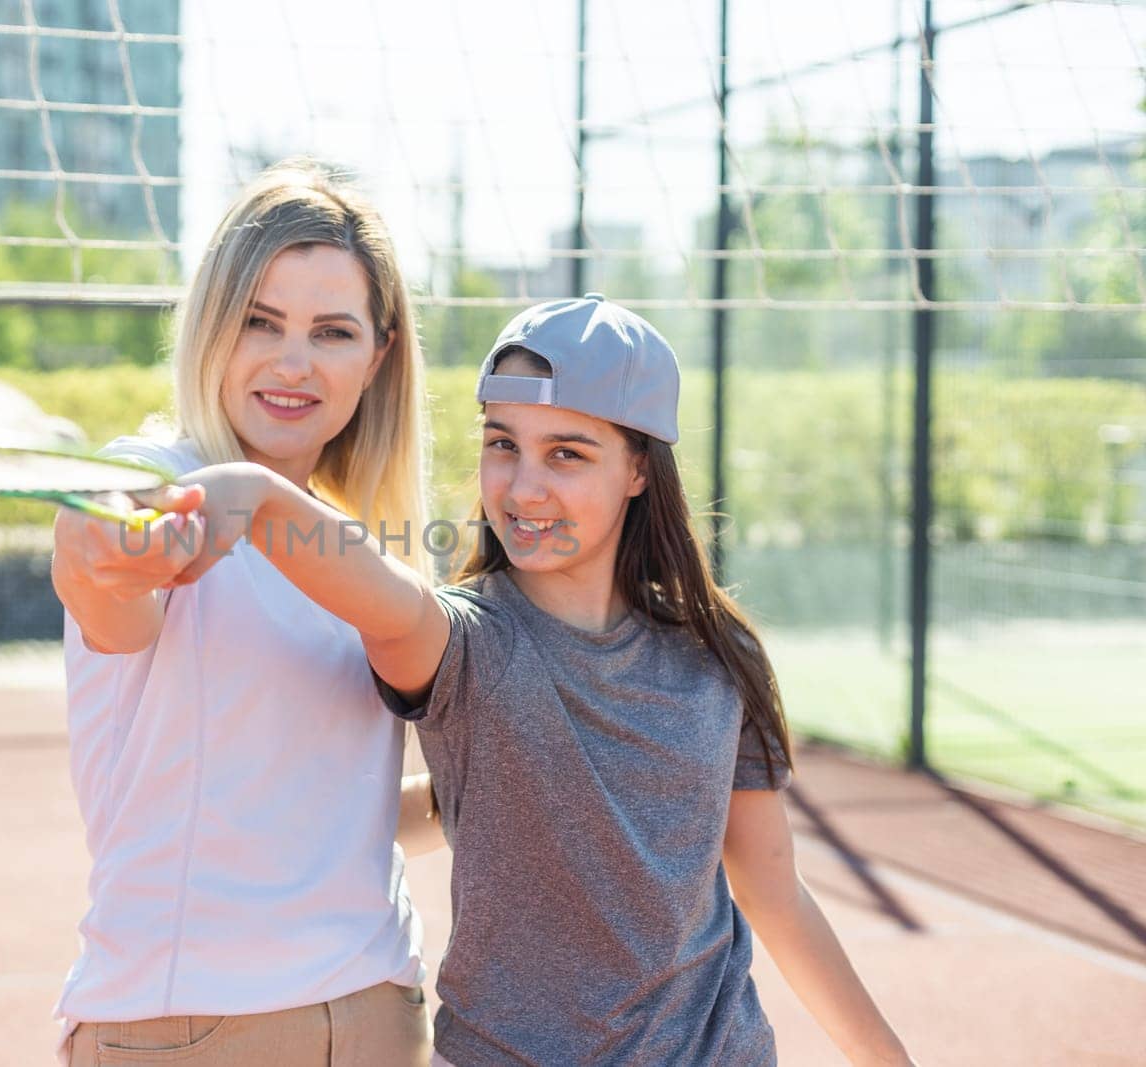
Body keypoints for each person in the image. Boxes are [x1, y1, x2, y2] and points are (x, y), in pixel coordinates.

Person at [169, 295, 916, 1066]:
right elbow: (385, 599)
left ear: (637, 468)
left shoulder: (719, 655)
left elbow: (774, 892)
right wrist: (256, 501)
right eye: (503, 445)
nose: (523, 489)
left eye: (567, 453)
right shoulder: (467, 644)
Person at [49, 159, 435, 1066]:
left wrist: (504, 788)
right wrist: (112, 551)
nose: (292, 362)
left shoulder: (359, 545)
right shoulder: (155, 475)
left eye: (332, 332)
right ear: (211, 327)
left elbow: (334, 811)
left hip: (380, 1011)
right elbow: (102, 570)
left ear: (377, 356)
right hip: (186, 1029)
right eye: (261, 321)